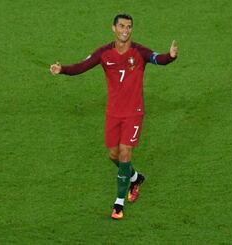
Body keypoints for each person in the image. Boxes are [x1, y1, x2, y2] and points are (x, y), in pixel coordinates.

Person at [50, 13, 178, 220]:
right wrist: (62, 69)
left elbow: (158, 59)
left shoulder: (139, 52)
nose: (125, 30)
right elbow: (82, 66)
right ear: (113, 28)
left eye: (129, 27)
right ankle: (136, 178)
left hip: (134, 113)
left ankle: (118, 204)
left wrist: (170, 56)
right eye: (121, 26)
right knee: (114, 155)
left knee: (126, 152)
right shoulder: (104, 53)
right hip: (113, 113)